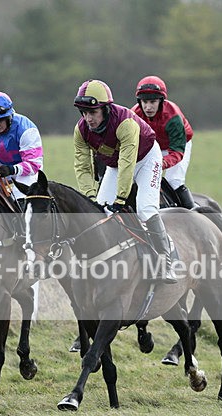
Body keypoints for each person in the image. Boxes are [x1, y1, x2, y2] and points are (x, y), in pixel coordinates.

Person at [72, 79, 177, 284]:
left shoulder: (125, 123)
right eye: (84, 113)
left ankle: (166, 262)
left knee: (145, 209)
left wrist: (121, 198)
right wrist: (90, 197)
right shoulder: (81, 130)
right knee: (101, 210)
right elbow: (82, 166)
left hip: (146, 158)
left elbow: (127, 163)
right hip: (116, 164)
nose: (88, 118)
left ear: (106, 108)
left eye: (92, 112)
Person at [131, 75, 195, 209]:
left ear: (161, 101)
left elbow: (177, 151)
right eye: (144, 102)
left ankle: (193, 212)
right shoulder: (133, 115)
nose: (148, 107)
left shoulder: (173, 116)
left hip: (178, 146)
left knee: (174, 181)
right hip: (153, 146)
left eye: (153, 102)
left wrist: (162, 163)